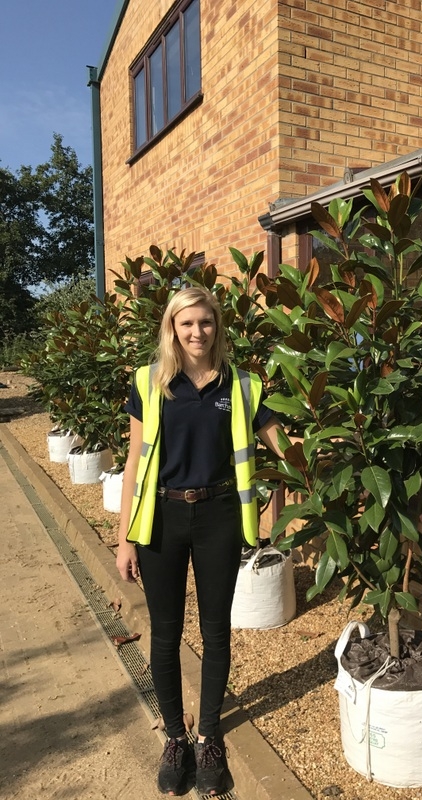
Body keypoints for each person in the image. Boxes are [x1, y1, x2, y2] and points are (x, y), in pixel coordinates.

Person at [116, 286, 286, 797]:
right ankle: (175, 738)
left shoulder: (243, 384)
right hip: (161, 519)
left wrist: (333, 461)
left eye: (205, 322)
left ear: (218, 327)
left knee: (216, 632)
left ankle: (209, 736)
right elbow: (133, 462)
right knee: (165, 634)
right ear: (172, 328)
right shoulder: (149, 382)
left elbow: (283, 445)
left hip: (218, 517)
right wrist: (124, 539)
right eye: (186, 323)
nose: (197, 332)